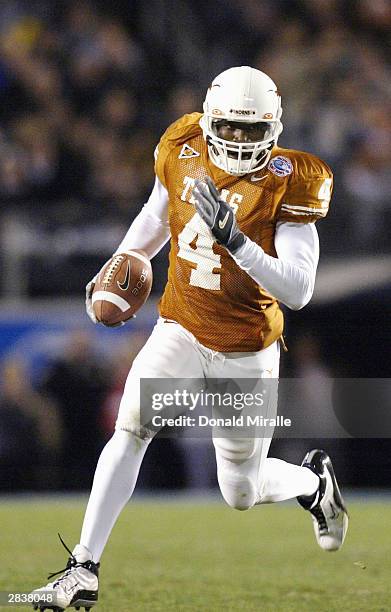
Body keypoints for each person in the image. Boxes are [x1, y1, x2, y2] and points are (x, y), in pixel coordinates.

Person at [32, 66, 348, 611]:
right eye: (231, 127)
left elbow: (298, 290)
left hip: (246, 344)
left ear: (274, 127)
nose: (241, 140)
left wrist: (239, 244)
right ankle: (83, 568)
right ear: (210, 119)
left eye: (254, 130)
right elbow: (158, 212)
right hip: (180, 324)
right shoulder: (181, 144)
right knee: (130, 428)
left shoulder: (291, 180)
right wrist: (126, 257)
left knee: (240, 491)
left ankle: (314, 486)